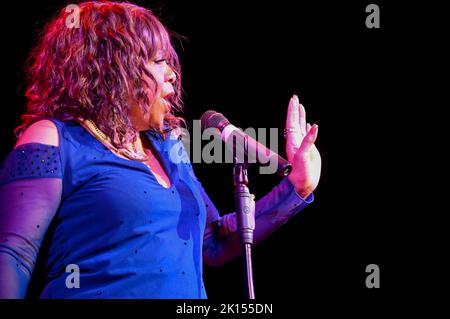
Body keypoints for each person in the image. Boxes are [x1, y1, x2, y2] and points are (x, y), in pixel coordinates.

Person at [0, 1, 321, 299]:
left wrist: (296, 187)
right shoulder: (55, 139)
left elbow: (213, 243)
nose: (172, 74)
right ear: (113, 67)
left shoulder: (169, 147)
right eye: (158, 61)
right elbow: (14, 255)